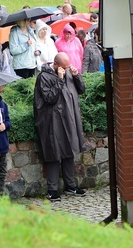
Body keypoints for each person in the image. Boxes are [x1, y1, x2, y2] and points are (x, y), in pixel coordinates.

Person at [34, 52, 87, 202]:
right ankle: (52, 189)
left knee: (69, 150)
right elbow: (49, 98)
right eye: (64, 67)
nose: (67, 69)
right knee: (54, 153)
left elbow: (81, 90)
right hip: (52, 121)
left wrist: (76, 76)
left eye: (68, 66)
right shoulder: (44, 77)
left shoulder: (68, 71)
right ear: (56, 65)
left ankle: (70, 185)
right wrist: (59, 79)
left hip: (69, 118)